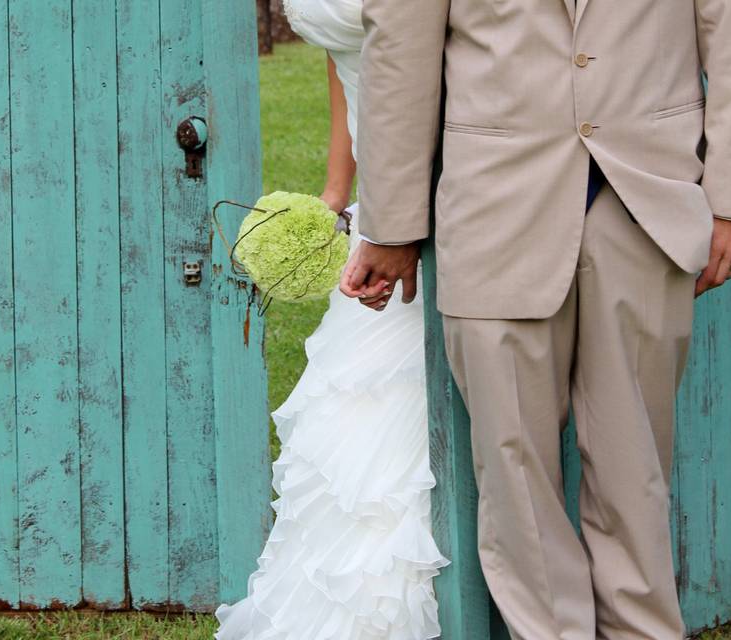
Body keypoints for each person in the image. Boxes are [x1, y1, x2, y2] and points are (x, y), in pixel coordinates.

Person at [341, 0, 731, 638]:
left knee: (636, 466)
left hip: (647, 201)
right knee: (513, 472)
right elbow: (400, 51)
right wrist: (393, 225)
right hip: (494, 206)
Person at [213, 0, 450, 637]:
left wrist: (413, 210)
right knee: (352, 401)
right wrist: (336, 190)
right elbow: (342, 66)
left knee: (411, 402)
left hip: (450, 184)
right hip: (379, 199)